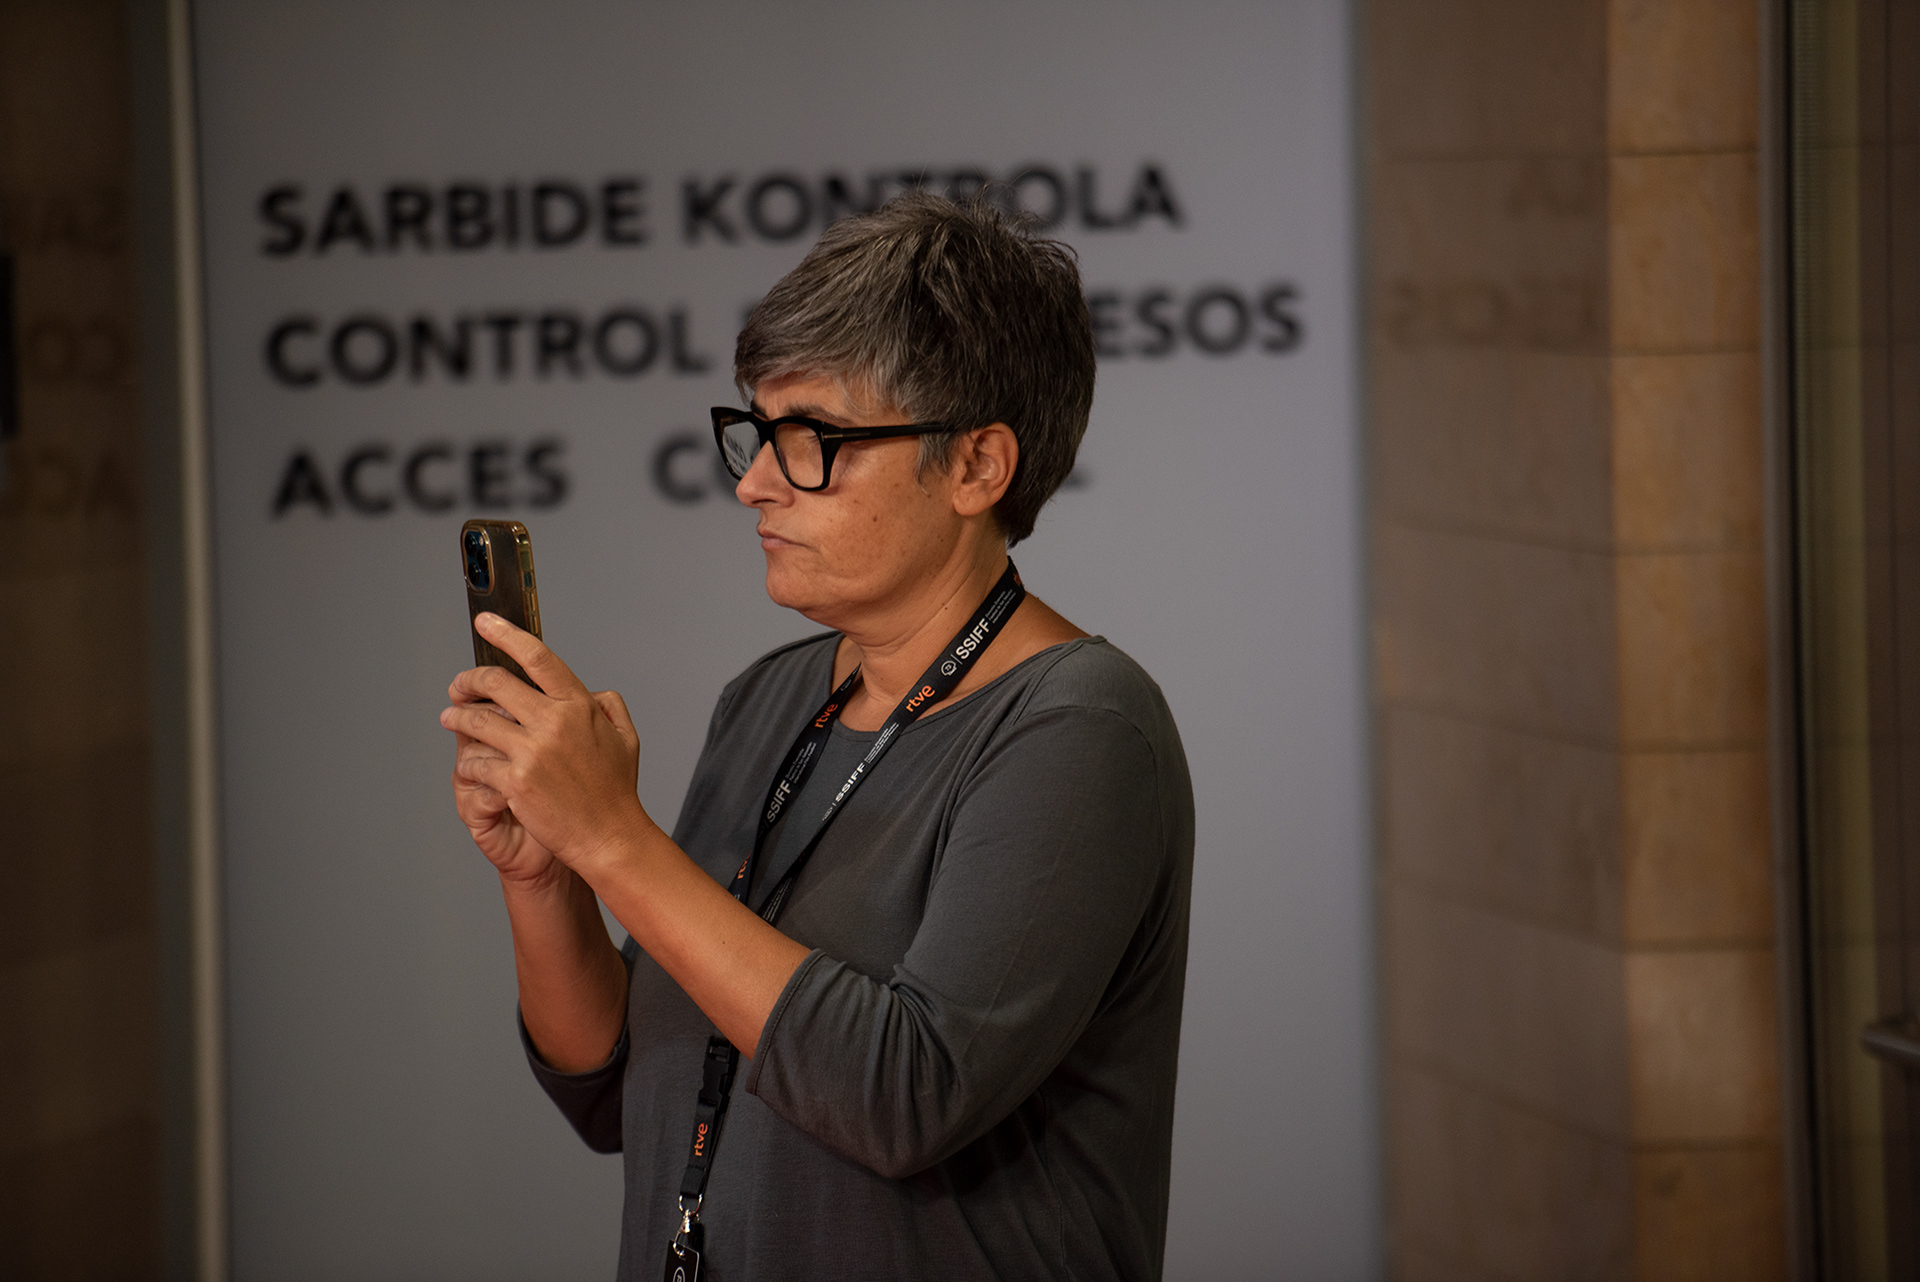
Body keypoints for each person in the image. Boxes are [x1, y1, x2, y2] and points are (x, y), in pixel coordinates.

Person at [440, 190, 1194, 1281]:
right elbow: (614, 1091)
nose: (754, 483)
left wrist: (615, 839)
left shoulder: (1080, 727)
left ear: (978, 466)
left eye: (812, 440)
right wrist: (549, 871)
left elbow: (907, 1096)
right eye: (756, 431)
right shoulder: (771, 699)